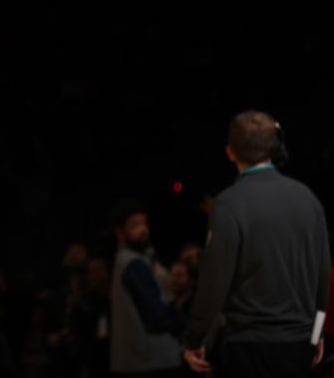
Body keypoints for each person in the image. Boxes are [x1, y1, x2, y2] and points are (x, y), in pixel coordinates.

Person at [182, 110, 330, 377]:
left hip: (247, 346)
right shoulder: (308, 200)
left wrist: (194, 339)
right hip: (298, 344)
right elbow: (322, 276)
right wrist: (316, 335)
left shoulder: (228, 205)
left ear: (229, 152)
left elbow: (214, 282)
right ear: (274, 147)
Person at [109, 200, 186, 377]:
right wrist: (188, 324)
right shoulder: (134, 263)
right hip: (151, 361)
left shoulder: (128, 259)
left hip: (139, 361)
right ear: (120, 232)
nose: (144, 229)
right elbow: (156, 314)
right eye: (135, 225)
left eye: (145, 224)